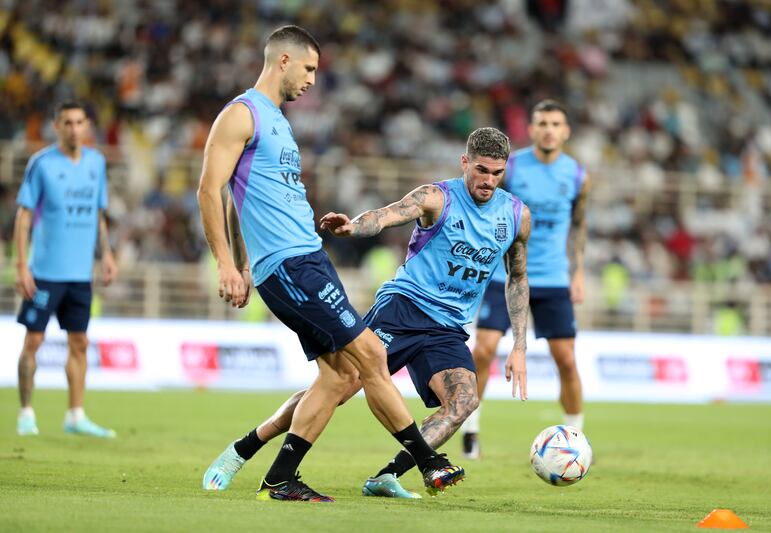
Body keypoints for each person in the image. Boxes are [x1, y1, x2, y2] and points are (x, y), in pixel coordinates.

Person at [196, 25, 463, 502]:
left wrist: (240, 259)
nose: (313, 80)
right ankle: (428, 460)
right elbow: (209, 189)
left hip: (307, 259)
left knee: (341, 374)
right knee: (372, 356)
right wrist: (227, 264)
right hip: (290, 266)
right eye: (310, 68)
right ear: (283, 61)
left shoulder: (277, 121)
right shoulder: (241, 115)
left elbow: (242, 201)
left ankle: (274, 473)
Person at [203, 127, 531, 498]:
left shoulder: (516, 217)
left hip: (449, 327)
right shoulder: (437, 198)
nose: (488, 181)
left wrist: (519, 344)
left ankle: (387, 476)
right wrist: (353, 227)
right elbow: (386, 215)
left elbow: (517, 278)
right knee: (338, 385)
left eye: (497, 173)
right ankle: (244, 448)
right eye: (482, 170)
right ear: (465, 162)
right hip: (404, 308)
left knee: (464, 402)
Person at [461, 99, 590, 459]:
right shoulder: (512, 168)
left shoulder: (578, 175)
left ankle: (575, 440)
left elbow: (579, 226)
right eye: (542, 123)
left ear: (565, 131)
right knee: (483, 349)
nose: (548, 129)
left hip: (553, 278)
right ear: (531, 130)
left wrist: (577, 271)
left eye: (555, 123)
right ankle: (471, 430)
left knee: (566, 359)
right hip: (504, 275)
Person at [14, 101, 118, 437]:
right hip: (44, 271)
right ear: (57, 126)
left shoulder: (96, 163)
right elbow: (24, 215)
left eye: (79, 122)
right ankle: (26, 413)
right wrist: (21, 266)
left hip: (79, 274)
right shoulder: (42, 164)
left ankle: (75, 415)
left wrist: (107, 254)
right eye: (67, 123)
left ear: (87, 126)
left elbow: (98, 214)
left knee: (80, 342)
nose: (74, 129)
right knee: (34, 340)